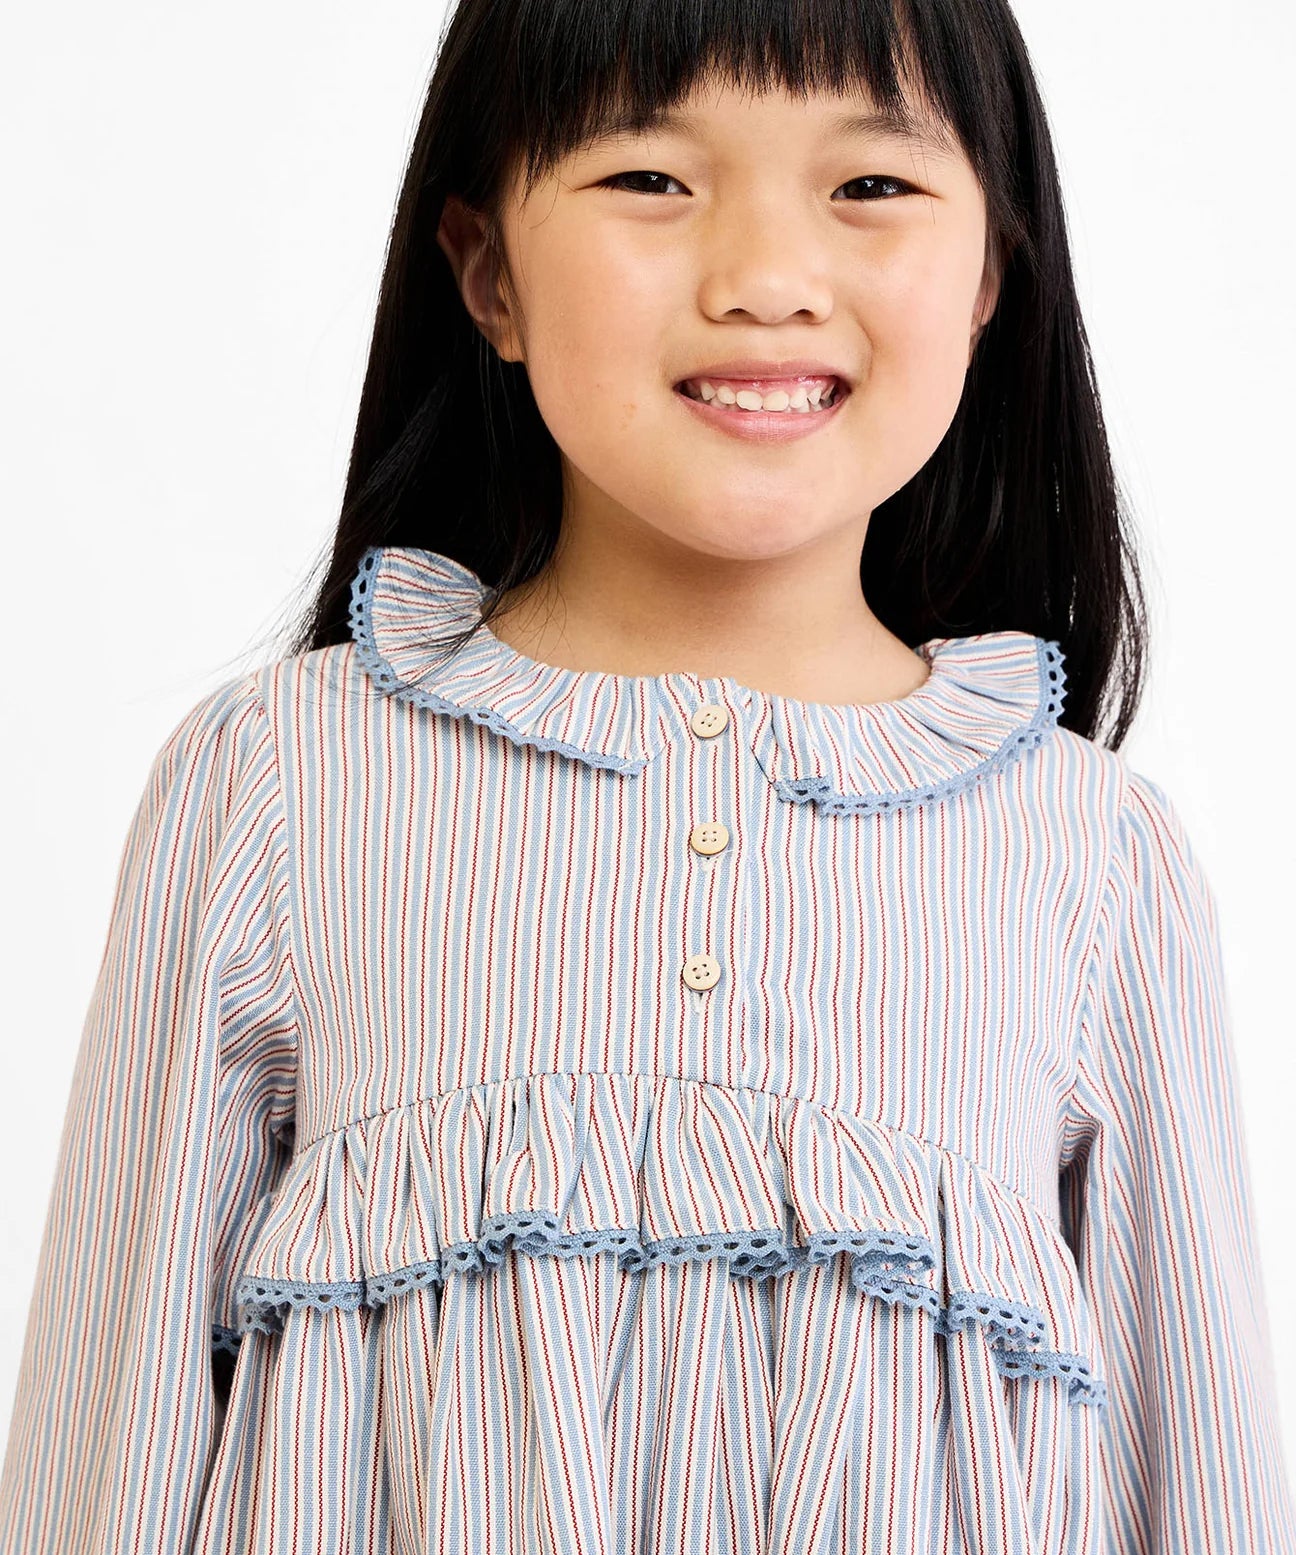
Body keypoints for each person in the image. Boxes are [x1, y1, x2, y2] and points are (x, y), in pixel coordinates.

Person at [2, 0, 1293, 1550]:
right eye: (650, 179)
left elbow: (1199, 1479)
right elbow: (109, 1439)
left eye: (871, 184)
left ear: (989, 281)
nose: (764, 278)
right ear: (489, 274)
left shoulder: (1097, 855)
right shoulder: (275, 780)